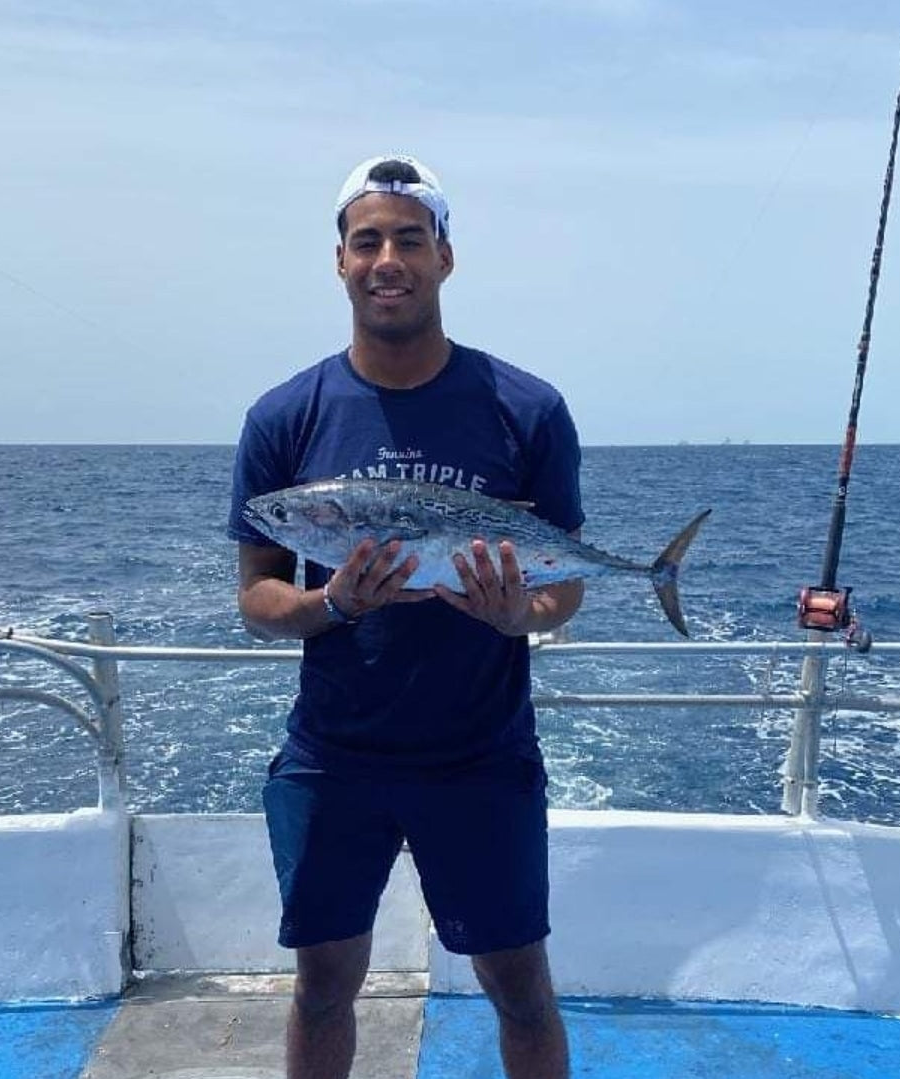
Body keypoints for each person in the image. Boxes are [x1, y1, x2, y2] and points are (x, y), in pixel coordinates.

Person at [228, 153, 585, 1079]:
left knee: (519, 985)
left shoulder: (528, 409)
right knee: (321, 985)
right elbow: (258, 593)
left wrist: (516, 615)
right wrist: (331, 601)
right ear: (340, 262)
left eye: (409, 240)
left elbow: (563, 585)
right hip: (334, 754)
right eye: (367, 241)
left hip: (481, 753)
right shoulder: (284, 416)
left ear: (444, 257)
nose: (387, 260)